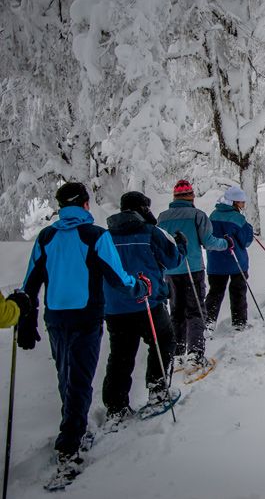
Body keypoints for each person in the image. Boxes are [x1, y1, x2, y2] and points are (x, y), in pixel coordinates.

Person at [18, 182, 147, 481]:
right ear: (86, 204)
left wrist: (27, 317)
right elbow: (117, 277)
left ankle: (73, 429)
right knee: (80, 378)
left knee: (67, 375)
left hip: (55, 317)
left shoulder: (47, 236)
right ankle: (70, 446)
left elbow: (30, 282)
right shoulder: (95, 235)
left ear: (62, 206)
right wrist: (139, 287)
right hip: (86, 316)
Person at [102, 192, 183, 426]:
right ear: (141, 208)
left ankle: (116, 407)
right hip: (148, 301)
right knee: (163, 341)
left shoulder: (106, 236)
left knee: (120, 354)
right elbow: (173, 260)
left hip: (116, 306)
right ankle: (157, 390)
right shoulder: (151, 232)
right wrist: (181, 246)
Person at [157, 180, 228, 370]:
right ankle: (195, 354)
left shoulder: (162, 217)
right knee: (195, 310)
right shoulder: (197, 215)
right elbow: (209, 241)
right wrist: (226, 244)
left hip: (170, 270)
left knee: (176, 312)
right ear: (190, 196)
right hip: (192, 267)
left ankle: (178, 353)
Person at [204, 186, 254, 330]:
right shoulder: (238, 218)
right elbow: (246, 241)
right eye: (241, 202)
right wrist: (248, 229)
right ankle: (239, 323)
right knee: (238, 292)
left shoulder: (212, 215)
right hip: (236, 262)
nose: (243, 205)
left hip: (215, 263)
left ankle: (208, 322)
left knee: (215, 293)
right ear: (234, 202)